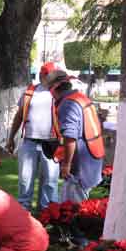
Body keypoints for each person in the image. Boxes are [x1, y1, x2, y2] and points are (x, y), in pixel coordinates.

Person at [6, 62, 60, 211]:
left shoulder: (59, 93)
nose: (52, 78)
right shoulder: (30, 92)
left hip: (51, 143)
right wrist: (11, 138)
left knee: (50, 181)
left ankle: (48, 212)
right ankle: (24, 211)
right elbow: (19, 116)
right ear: (42, 75)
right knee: (25, 180)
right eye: (49, 75)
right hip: (29, 142)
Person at [46, 70, 105, 202]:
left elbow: (70, 137)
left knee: (71, 208)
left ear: (53, 89)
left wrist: (66, 165)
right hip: (92, 161)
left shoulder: (68, 104)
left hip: (80, 168)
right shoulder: (80, 98)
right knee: (77, 205)